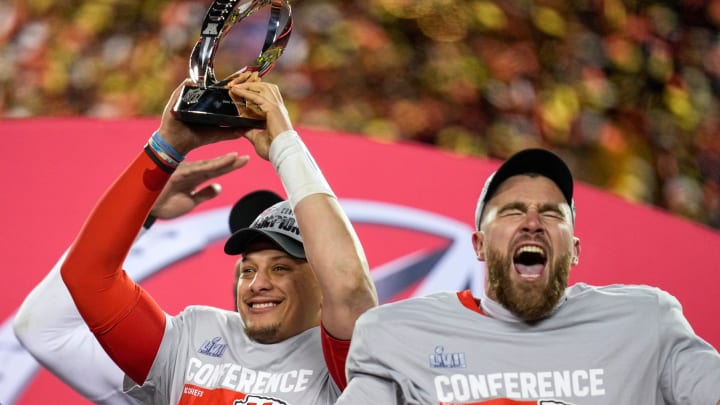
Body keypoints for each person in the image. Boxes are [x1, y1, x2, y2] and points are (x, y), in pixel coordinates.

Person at [59, 73, 377, 404]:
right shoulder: (192, 338)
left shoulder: (349, 365)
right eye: (248, 269)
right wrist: (166, 147)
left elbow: (349, 284)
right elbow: (87, 276)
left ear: (324, 289)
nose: (257, 284)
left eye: (281, 268)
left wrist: (284, 144)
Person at [336, 148, 720, 404]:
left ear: (575, 251)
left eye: (552, 213)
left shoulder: (645, 321)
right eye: (512, 211)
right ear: (480, 246)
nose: (533, 224)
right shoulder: (398, 335)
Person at [13, 153, 279, 405]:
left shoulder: (320, 374)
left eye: (282, 265)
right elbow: (44, 330)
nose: (259, 280)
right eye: (248, 263)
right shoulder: (186, 371)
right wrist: (144, 213)